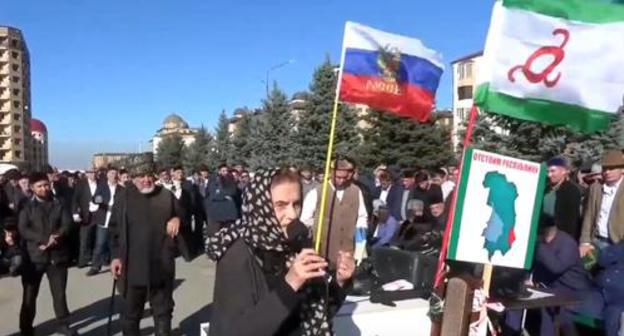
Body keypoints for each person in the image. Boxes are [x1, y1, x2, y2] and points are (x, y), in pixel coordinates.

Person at [207, 168, 355, 336]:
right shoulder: (237, 254)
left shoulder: (295, 244)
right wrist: (290, 283)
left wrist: (340, 282)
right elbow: (234, 331)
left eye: (296, 204)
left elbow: (318, 313)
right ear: (260, 206)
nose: (292, 214)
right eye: (281, 205)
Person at [108, 161, 185, 336]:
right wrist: (114, 257)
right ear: (133, 178)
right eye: (141, 176)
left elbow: (184, 215)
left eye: (149, 175)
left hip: (161, 266)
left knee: (163, 313)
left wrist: (177, 219)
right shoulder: (124, 198)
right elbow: (113, 231)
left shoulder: (166, 196)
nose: (146, 180)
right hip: (132, 267)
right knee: (130, 316)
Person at [505, 216, 603, 336]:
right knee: (516, 299)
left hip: (575, 294)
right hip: (551, 290)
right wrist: (530, 279)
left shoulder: (567, 244)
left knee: (550, 307)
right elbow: (537, 266)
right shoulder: (543, 243)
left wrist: (537, 245)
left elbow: (556, 267)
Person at [18, 172, 76, 336]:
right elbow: (24, 229)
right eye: (39, 186)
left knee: (59, 294)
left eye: (46, 185)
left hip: (57, 256)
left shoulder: (60, 202)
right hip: (34, 257)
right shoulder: (26, 206)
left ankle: (63, 324)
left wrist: (57, 236)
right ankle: (26, 327)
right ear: (32, 188)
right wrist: (44, 239)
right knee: (29, 296)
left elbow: (68, 223)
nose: (44, 189)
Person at [300, 157, 368, 265]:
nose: (341, 180)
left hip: (348, 252)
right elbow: (305, 220)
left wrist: (360, 250)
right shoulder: (316, 192)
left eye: (344, 177)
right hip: (324, 253)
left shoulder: (356, 191)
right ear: (332, 173)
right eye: (338, 177)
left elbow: (362, 218)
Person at [580, 150, 624, 256]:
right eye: (605, 169)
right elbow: (589, 216)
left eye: (612, 168)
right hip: (596, 241)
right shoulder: (596, 188)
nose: (607, 172)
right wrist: (585, 242)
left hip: (618, 244)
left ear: (622, 169)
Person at [86, 166, 120, 276]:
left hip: (116, 220)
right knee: (100, 244)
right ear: (107, 175)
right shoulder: (102, 186)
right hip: (104, 219)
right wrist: (98, 200)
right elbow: (95, 198)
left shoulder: (121, 188)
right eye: (111, 173)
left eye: (115, 173)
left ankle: (116, 264)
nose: (113, 176)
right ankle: (95, 266)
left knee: (115, 244)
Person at [543, 156, 582, 241]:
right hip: (543, 233)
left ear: (564, 171)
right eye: (548, 171)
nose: (549, 175)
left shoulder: (572, 191)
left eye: (553, 171)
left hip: (559, 237)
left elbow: (571, 221)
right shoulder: (546, 188)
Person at [72, 168, 100, 268]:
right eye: (91, 173)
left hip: (98, 214)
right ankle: (82, 260)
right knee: (84, 238)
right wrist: (75, 213)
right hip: (85, 215)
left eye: (94, 172)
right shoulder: (81, 184)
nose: (93, 174)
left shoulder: (101, 183)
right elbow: (75, 199)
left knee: (97, 238)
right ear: (87, 174)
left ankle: (97, 260)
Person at [203, 164, 241, 237]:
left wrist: (222, 194)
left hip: (229, 213)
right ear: (219, 172)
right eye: (223, 171)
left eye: (226, 171)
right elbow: (213, 195)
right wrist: (224, 196)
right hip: (217, 212)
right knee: (216, 235)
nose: (225, 172)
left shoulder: (230, 180)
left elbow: (232, 192)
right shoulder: (213, 181)